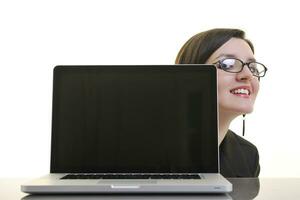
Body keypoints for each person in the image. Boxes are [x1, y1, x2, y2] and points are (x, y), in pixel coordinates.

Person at [175, 28, 267, 177]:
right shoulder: (145, 147)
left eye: (253, 67)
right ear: (190, 77)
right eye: (228, 64)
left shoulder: (247, 155)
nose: (248, 75)